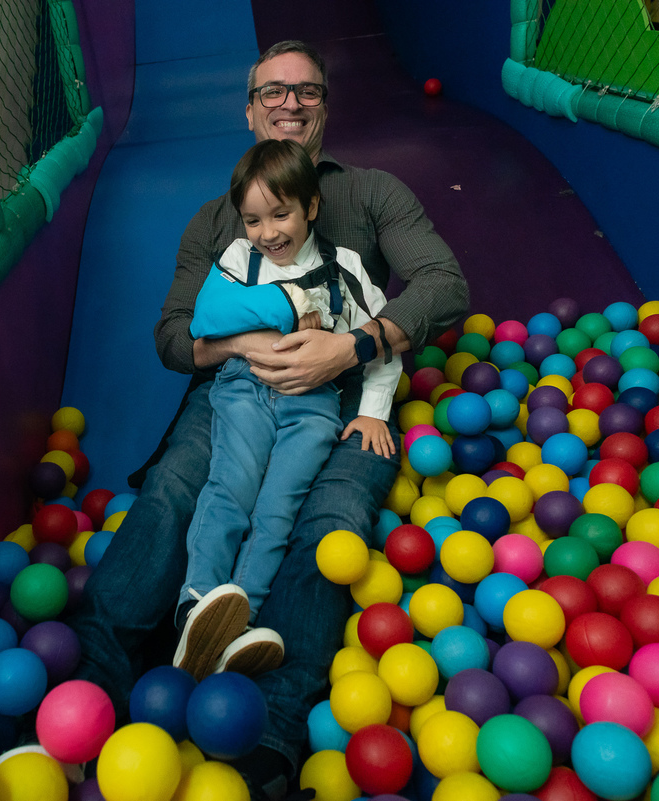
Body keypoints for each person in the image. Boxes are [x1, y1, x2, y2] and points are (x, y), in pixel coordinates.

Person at [65, 40, 469, 799]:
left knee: (329, 524)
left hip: (345, 393)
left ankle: (274, 728)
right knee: (179, 490)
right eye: (272, 93)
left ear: (325, 108)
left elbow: (446, 284)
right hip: (237, 389)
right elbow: (171, 336)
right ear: (248, 110)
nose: (290, 104)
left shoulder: (373, 193)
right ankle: (101, 675)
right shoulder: (217, 219)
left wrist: (349, 348)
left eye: (307, 92)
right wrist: (248, 343)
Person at [172, 138, 402, 682]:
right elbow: (204, 319)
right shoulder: (238, 258)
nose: (269, 232)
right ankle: (195, 604)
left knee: (279, 506)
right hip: (245, 389)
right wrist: (290, 303)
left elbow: (384, 338)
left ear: (311, 207)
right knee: (231, 487)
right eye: (254, 219)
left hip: (314, 405)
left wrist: (371, 409)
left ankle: (238, 620)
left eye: (281, 214)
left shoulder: (343, 267)